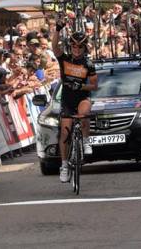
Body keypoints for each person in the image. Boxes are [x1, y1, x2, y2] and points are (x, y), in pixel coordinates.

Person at [52, 25, 98, 183]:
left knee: (84, 114)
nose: (77, 49)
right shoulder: (64, 59)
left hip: (82, 97)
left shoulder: (88, 63)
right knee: (65, 133)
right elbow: (54, 46)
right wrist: (57, 30)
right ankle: (64, 165)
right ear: (70, 46)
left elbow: (94, 85)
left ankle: (86, 141)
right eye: (74, 46)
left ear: (84, 48)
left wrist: (82, 86)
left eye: (80, 47)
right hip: (67, 100)